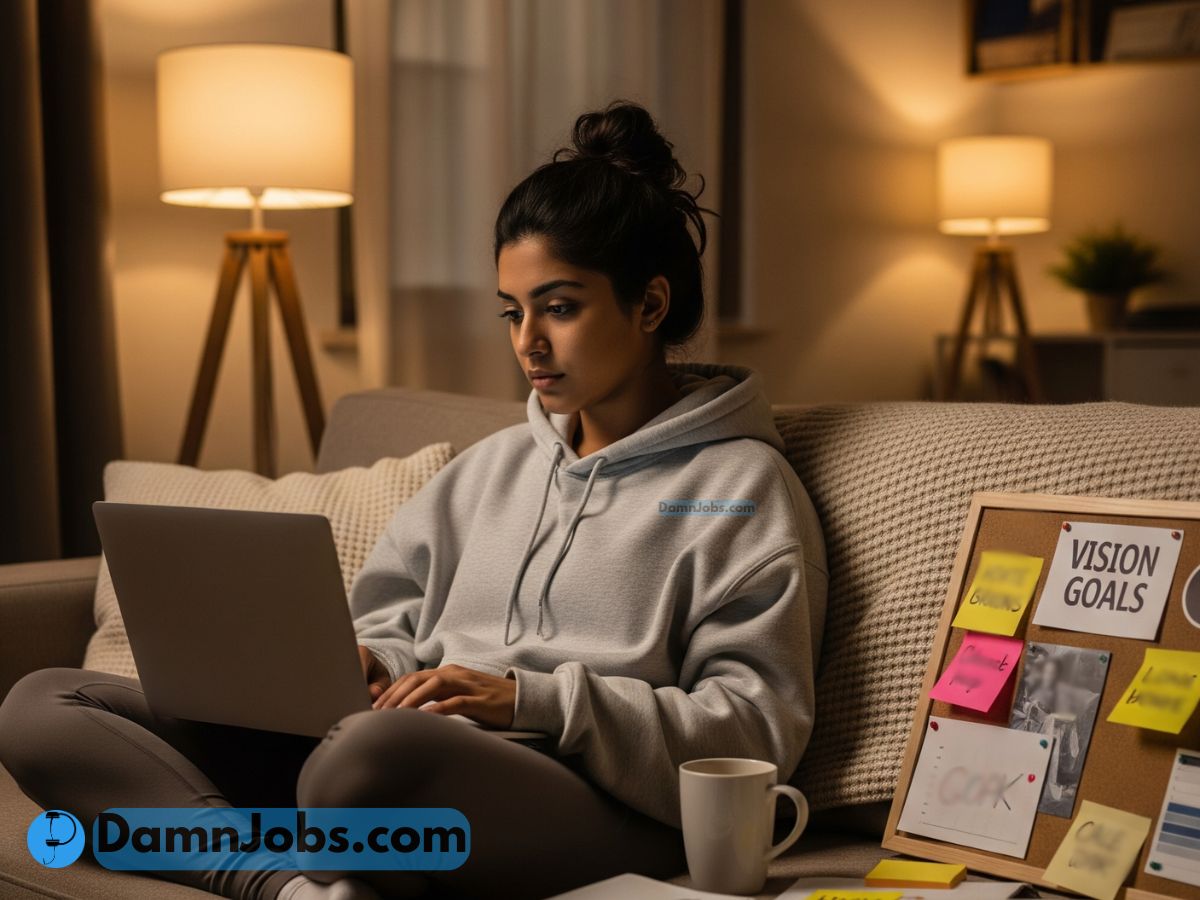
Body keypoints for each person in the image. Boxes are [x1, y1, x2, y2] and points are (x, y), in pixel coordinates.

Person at [0, 100, 827, 900]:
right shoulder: (488, 468)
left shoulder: (741, 489)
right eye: (513, 312)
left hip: (585, 799)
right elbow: (388, 622)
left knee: (366, 764)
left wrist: (528, 697)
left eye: (560, 308)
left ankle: (250, 837)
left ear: (649, 304)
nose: (528, 343)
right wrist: (371, 662)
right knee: (42, 705)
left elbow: (752, 730)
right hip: (384, 759)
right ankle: (291, 884)